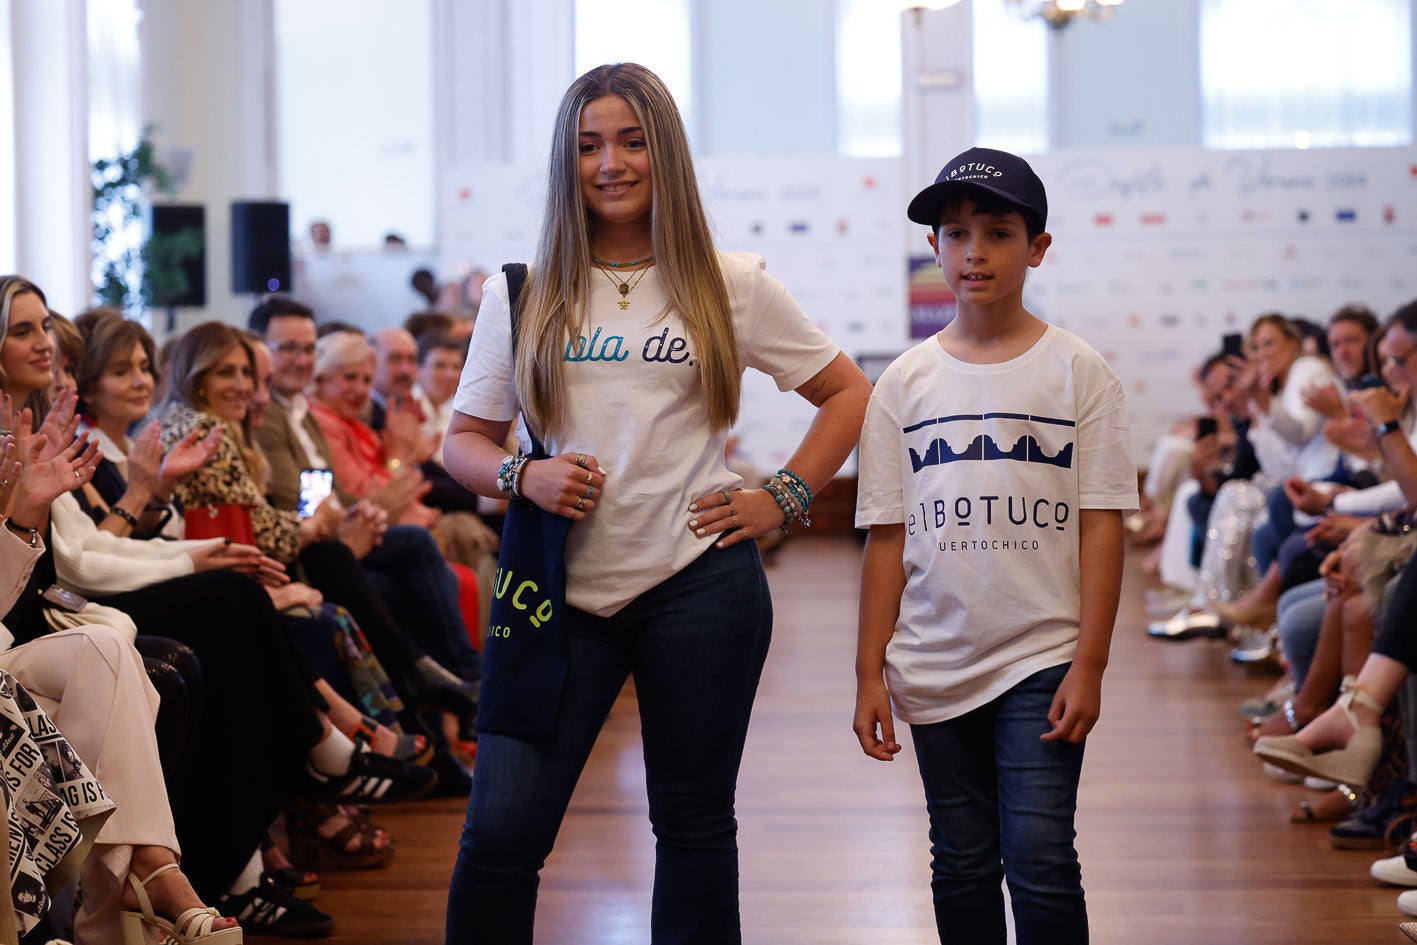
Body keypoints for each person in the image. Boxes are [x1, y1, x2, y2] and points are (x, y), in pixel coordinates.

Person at [442, 62, 870, 944]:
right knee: (499, 835)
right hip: (556, 595)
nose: (611, 162)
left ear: (662, 152)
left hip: (699, 588)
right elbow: (463, 441)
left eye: (632, 141)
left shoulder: (728, 280)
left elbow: (847, 393)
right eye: (590, 144)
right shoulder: (518, 291)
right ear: (567, 161)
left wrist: (782, 496)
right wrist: (523, 475)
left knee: (695, 828)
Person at [853, 148, 1136, 945]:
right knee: (962, 859)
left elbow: (1102, 522)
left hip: (1042, 656)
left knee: (1042, 856)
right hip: (933, 659)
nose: (973, 251)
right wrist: (866, 669)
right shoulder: (902, 384)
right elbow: (884, 536)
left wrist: (1090, 663)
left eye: (998, 232)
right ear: (935, 248)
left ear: (1036, 247)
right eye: (954, 233)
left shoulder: (1078, 372)